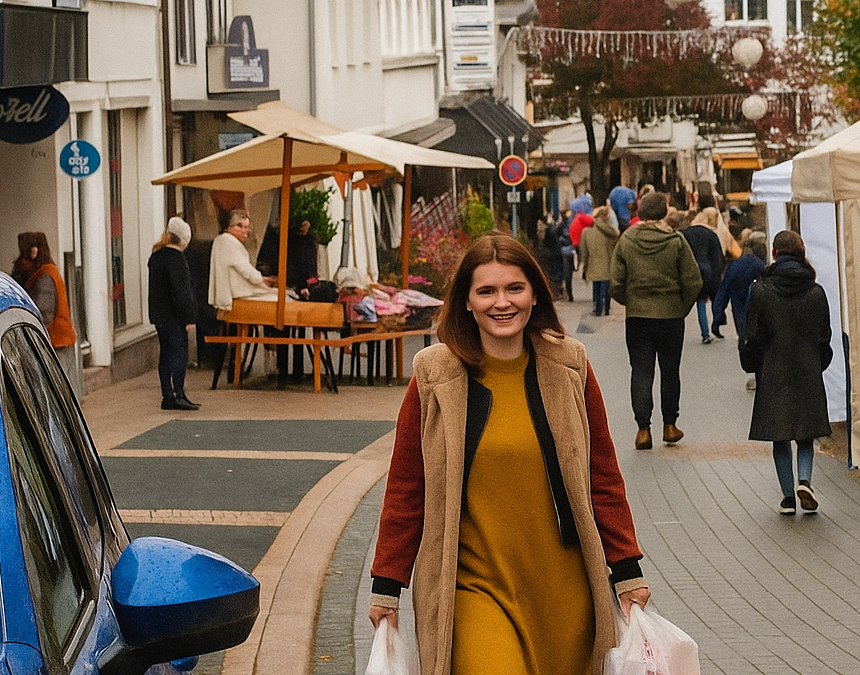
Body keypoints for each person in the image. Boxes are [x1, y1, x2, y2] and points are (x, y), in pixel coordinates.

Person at [369, 233, 651, 675]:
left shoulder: (570, 365)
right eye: (486, 291)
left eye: (514, 288)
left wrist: (627, 570)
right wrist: (387, 585)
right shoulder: (433, 375)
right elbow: (407, 485)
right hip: (472, 588)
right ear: (466, 301)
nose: (502, 303)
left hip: (563, 590)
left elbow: (602, 477)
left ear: (534, 294)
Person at [740, 230, 832, 515]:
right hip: (807, 369)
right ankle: (805, 480)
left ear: (774, 253)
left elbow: (751, 334)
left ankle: (788, 498)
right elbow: (824, 337)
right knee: (806, 433)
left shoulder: (762, 290)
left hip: (773, 369)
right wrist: (818, 363)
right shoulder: (816, 292)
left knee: (779, 436)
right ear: (802, 253)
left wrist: (754, 365)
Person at [610, 192, 702, 450]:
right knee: (670, 371)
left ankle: (642, 430)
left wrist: (633, 302)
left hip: (638, 318)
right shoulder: (676, 241)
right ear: (664, 213)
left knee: (641, 371)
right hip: (671, 316)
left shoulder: (627, 240)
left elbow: (616, 283)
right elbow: (693, 281)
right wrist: (680, 307)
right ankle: (670, 426)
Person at [148, 217, 200, 411]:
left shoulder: (156, 256)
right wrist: (189, 316)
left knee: (166, 355)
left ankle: (167, 394)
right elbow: (182, 291)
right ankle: (178, 393)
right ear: (184, 239)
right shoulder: (176, 259)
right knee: (179, 354)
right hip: (175, 317)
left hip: (160, 316)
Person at [11, 232, 77, 380]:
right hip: (58, 339)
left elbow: (44, 313)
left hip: (55, 341)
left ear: (33, 252)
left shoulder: (45, 277)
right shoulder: (46, 273)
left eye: (23, 254)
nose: (20, 260)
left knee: (58, 383)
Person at [208, 209, 277, 312]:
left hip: (227, 293)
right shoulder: (229, 242)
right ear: (231, 226)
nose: (245, 230)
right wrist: (261, 279)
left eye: (247, 227)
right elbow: (244, 269)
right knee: (277, 297)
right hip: (237, 293)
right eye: (241, 226)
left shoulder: (219, 240)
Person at [711, 231, 767, 342]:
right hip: (763, 318)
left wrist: (717, 318)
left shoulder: (735, 266)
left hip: (741, 316)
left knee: (745, 345)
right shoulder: (764, 267)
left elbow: (723, 291)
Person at [682, 210, 725, 343]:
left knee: (700, 302)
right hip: (710, 272)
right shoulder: (711, 235)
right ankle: (716, 325)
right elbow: (718, 256)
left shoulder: (686, 234)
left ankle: (705, 333)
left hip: (693, 271)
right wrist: (718, 273)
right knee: (715, 300)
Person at [580, 205, 619, 316]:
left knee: (596, 286)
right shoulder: (609, 230)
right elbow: (617, 233)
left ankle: (597, 308)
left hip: (593, 262)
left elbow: (584, 249)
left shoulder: (586, 231)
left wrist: (584, 262)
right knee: (606, 287)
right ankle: (606, 308)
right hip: (608, 262)